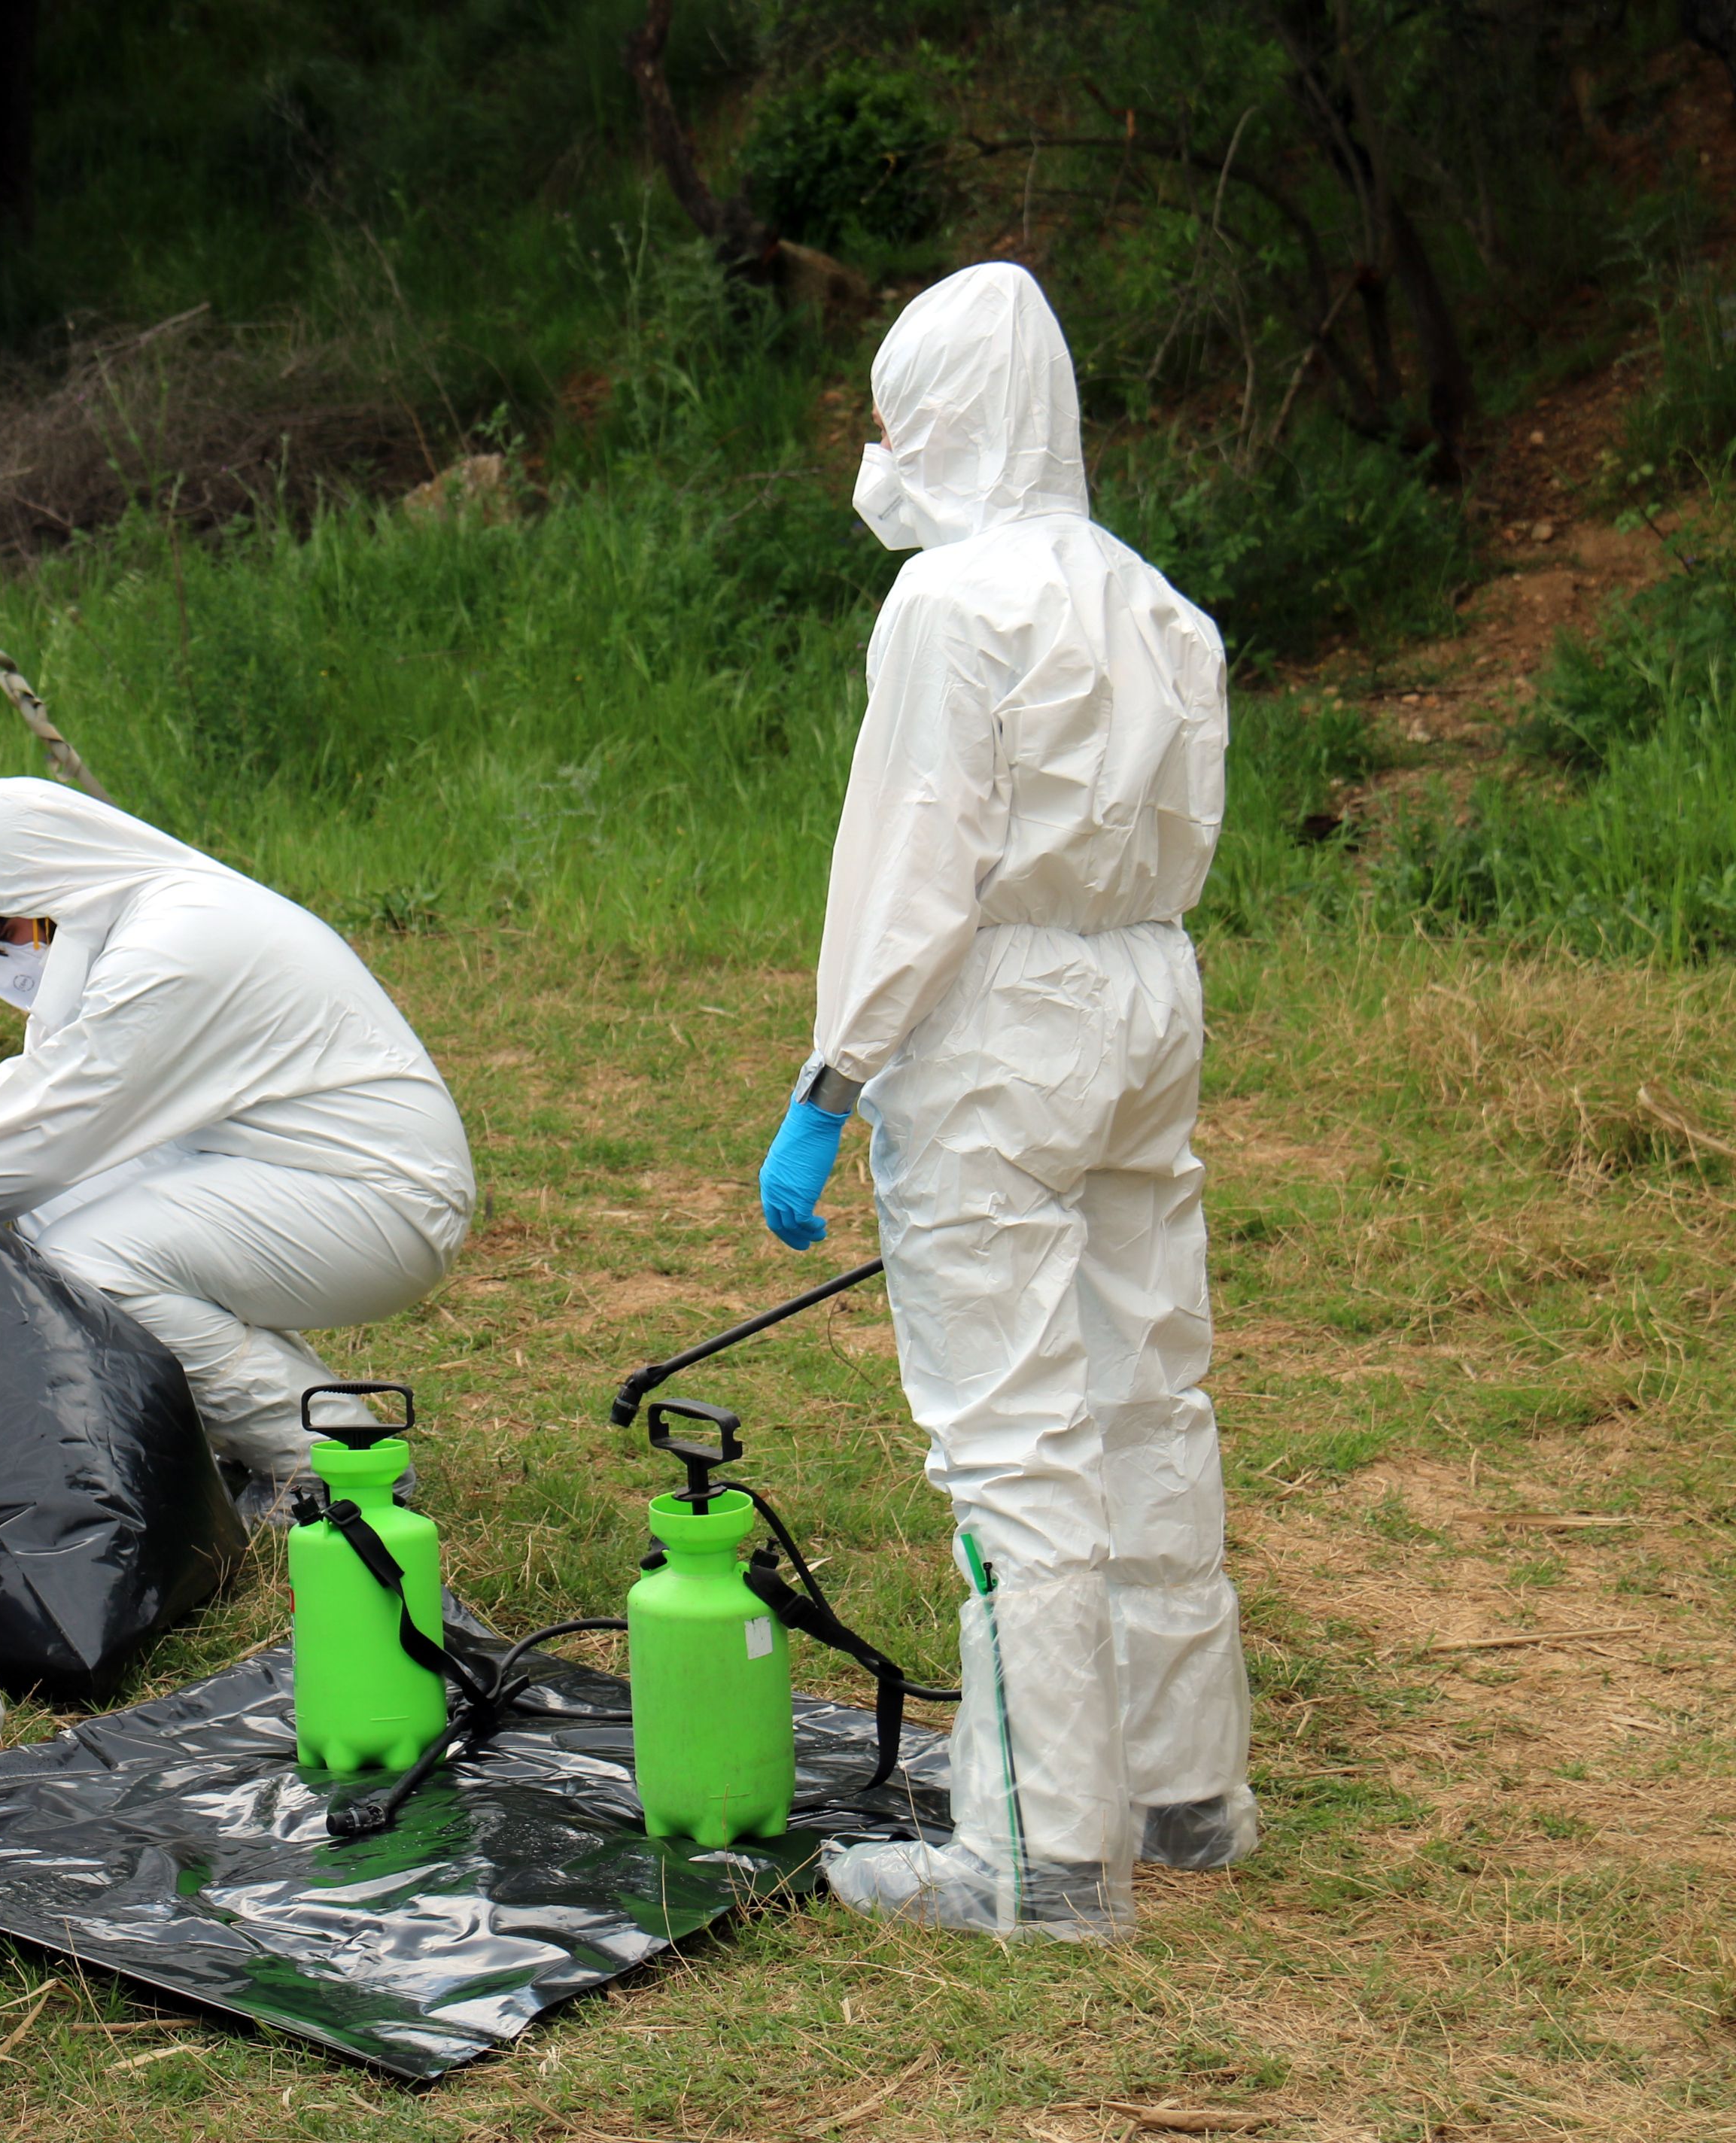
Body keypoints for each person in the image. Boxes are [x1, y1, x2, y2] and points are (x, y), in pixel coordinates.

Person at [756, 262, 1253, 1940]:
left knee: (1011, 1429)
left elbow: (913, 863)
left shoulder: (951, 605)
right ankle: (1186, 1786)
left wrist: (834, 1072)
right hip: (1145, 989)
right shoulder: (1156, 600)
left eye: (898, 416)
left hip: (1000, 1018)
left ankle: (1035, 1855)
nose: (882, 447)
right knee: (1147, 1386)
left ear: (946, 416)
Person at [0, 779, 473, 1506]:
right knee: (50, 1216)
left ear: (51, 894)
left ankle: (334, 1465)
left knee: (92, 1264)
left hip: (382, 1201)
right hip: (300, 1170)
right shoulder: (135, 919)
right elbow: (43, 1086)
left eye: (5, 931)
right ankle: (273, 1423)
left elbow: (63, 1121)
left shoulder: (171, 946)